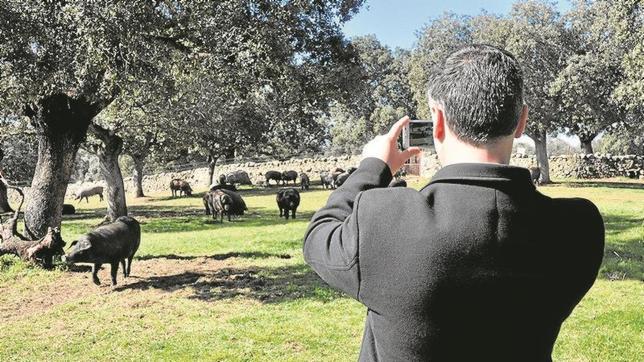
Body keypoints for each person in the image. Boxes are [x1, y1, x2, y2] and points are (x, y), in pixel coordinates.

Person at [303, 44, 604, 361]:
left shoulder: (382, 221)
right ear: (521, 122)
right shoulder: (579, 228)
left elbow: (318, 236)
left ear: (439, 121)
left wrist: (373, 165)